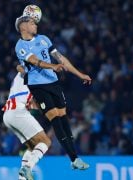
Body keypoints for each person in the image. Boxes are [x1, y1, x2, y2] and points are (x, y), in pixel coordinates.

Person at [14, 15, 92, 170]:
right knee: (55, 119)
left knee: (63, 118)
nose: (35, 24)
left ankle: (75, 159)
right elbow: (36, 61)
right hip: (38, 86)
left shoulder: (44, 39)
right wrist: (53, 66)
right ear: (23, 27)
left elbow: (61, 58)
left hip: (53, 83)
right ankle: (74, 158)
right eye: (31, 23)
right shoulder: (20, 46)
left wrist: (80, 74)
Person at [2, 65, 51, 180]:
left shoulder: (32, 83)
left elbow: (32, 103)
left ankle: (22, 178)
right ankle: (28, 167)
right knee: (46, 141)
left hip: (9, 114)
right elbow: (19, 67)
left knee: (33, 146)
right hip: (17, 111)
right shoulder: (30, 71)